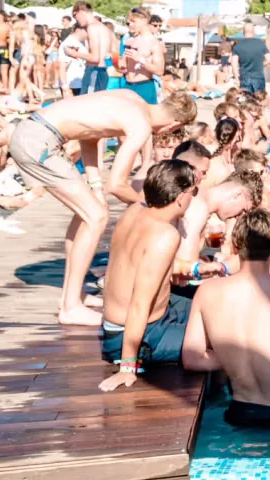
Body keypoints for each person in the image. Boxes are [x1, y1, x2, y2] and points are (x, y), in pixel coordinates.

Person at [9, 89, 197, 325]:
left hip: (35, 132)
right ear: (175, 123)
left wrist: (95, 184)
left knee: (87, 214)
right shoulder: (140, 125)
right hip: (38, 142)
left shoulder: (132, 98)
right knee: (96, 217)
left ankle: (73, 296)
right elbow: (117, 185)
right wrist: (152, 207)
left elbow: (89, 136)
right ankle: (70, 308)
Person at [182, 209, 270, 428]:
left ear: (235, 248)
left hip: (241, 413)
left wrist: (232, 358)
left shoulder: (207, 292)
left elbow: (192, 359)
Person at [98, 160, 199, 389]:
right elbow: (139, 304)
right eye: (193, 192)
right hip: (135, 335)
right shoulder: (165, 235)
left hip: (152, 316)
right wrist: (127, 367)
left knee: (211, 306)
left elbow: (143, 266)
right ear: (180, 197)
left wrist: (195, 269)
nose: (193, 198)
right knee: (222, 338)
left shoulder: (135, 210)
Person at [67, 1, 113, 95]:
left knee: (87, 102)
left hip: (94, 71)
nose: (76, 20)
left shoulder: (92, 28)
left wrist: (73, 53)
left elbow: (95, 58)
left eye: (75, 15)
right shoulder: (103, 27)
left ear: (81, 11)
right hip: (101, 71)